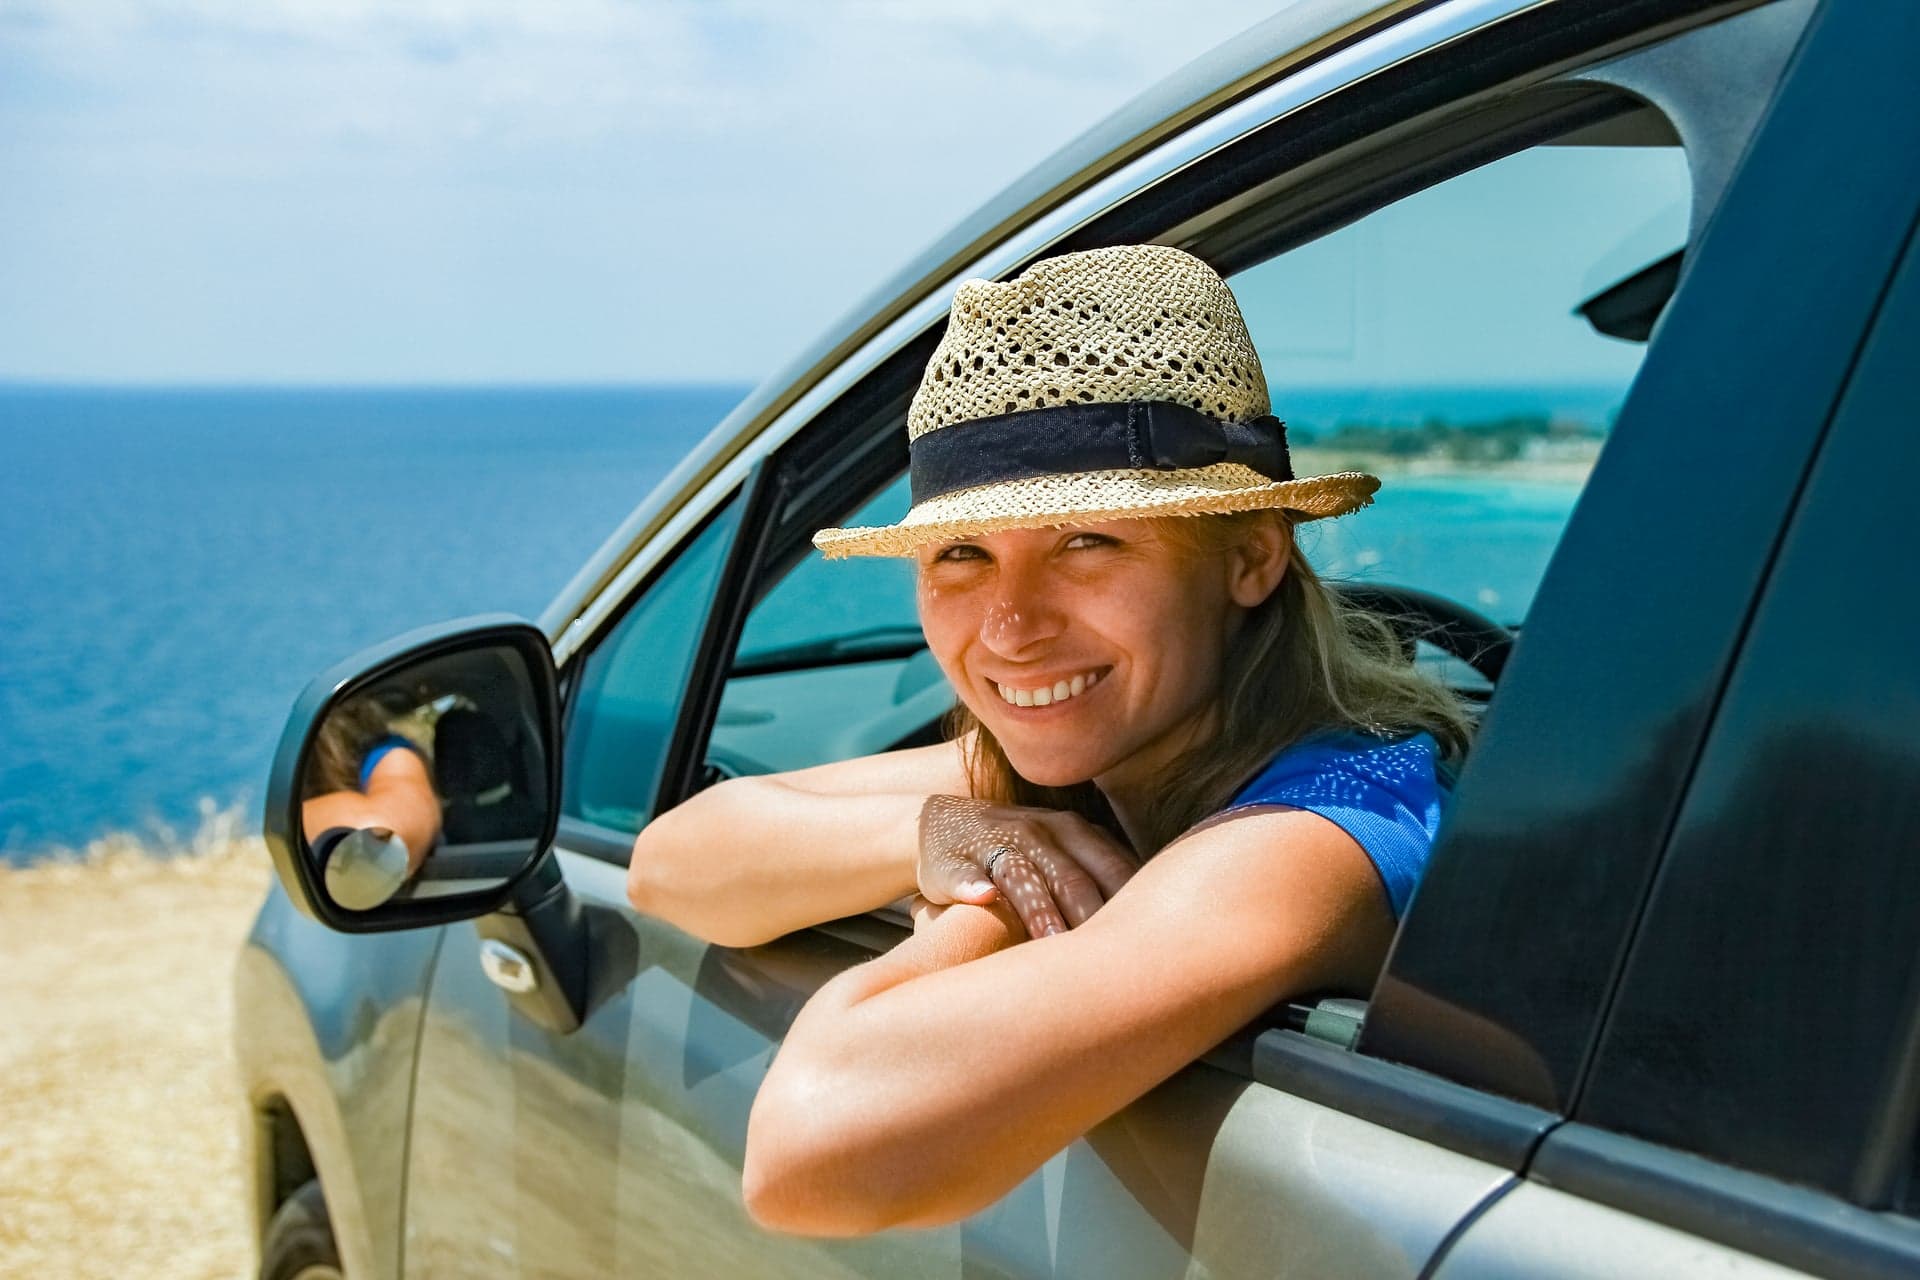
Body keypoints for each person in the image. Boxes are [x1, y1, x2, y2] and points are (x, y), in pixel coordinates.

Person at [626, 244, 1476, 1235]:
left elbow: (808, 1153)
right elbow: (669, 860)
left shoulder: (1316, 835)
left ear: (1250, 557)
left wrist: (995, 902)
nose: (1009, 627)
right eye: (962, 554)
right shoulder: (1136, 744)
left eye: (1086, 543)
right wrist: (950, 832)